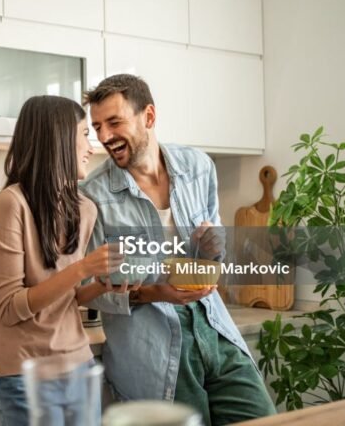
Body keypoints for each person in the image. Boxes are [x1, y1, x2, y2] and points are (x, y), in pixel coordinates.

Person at [80, 75, 277, 426]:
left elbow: (214, 256)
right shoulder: (94, 196)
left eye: (114, 122)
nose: (104, 137)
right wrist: (159, 293)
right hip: (154, 352)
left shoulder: (198, 167)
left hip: (215, 329)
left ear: (149, 117)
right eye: (97, 126)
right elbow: (90, 292)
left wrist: (214, 247)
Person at [0, 95, 124, 426]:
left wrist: (104, 284)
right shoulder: (11, 204)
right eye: (84, 134)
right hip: (25, 375)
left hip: (79, 365)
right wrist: (84, 268)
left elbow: (70, 295)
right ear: (59, 139)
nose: (92, 146)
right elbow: (10, 306)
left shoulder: (84, 209)